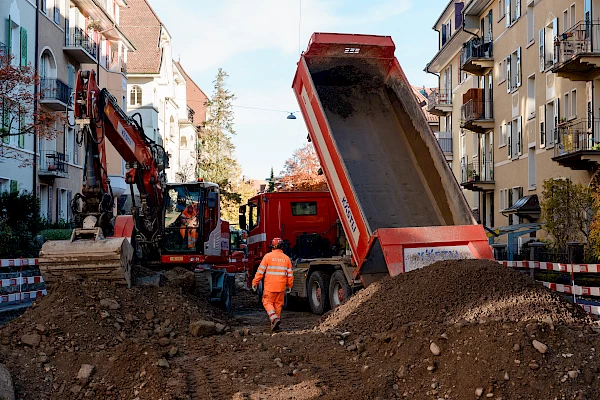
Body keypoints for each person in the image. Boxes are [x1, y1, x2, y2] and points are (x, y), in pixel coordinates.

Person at [252, 238, 293, 331]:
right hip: (281, 286)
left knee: (267, 302)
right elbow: (290, 275)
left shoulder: (267, 257)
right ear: (282, 246)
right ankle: (275, 325)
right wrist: (289, 286)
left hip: (270, 286)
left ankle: (274, 318)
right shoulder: (286, 258)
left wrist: (255, 282)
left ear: (272, 247)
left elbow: (260, 272)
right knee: (278, 305)